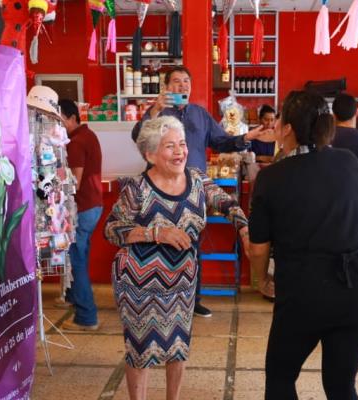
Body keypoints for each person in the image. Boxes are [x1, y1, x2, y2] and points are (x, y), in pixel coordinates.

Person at [248, 90, 358, 399]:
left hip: (305, 292)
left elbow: (258, 248)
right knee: (341, 386)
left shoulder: (272, 178)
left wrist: (261, 280)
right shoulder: (348, 161)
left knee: (281, 378)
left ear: (286, 128)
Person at [107, 116, 249, 400]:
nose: (180, 151)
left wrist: (244, 228)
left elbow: (226, 202)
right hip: (138, 286)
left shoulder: (197, 180)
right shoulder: (137, 188)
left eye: (182, 144)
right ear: (150, 154)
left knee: (178, 346)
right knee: (141, 349)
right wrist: (156, 233)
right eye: (170, 146)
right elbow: (112, 229)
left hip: (182, 283)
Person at [131, 66, 274, 318]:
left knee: (193, 246)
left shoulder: (199, 114)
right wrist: (152, 111)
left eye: (186, 81)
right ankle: (160, 299)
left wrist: (246, 136)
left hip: (195, 190)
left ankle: (193, 300)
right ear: (166, 86)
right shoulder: (158, 113)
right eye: (176, 82)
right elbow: (139, 138)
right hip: (161, 190)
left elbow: (222, 141)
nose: (182, 86)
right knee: (160, 243)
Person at [57, 99, 104, 332]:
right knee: (79, 256)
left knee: (77, 260)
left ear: (73, 118)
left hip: (83, 207)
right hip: (93, 205)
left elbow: (74, 181)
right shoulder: (89, 135)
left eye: (60, 120)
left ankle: (86, 317)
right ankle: (75, 300)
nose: (57, 126)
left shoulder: (75, 142)